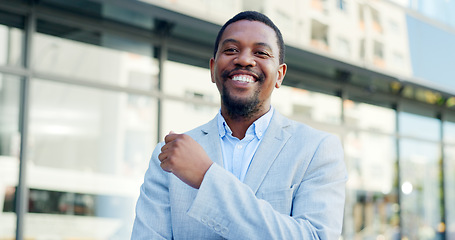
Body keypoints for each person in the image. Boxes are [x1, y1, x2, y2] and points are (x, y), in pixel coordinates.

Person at [131, 11, 347, 240]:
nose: (244, 60)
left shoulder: (317, 149)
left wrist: (207, 178)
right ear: (213, 69)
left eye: (261, 52)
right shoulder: (169, 157)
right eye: (231, 50)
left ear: (280, 75)